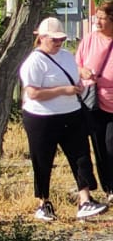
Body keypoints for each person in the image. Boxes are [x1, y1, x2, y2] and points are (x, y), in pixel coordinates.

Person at [19, 18, 106, 222]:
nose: (59, 43)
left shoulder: (67, 56)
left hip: (71, 113)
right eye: (54, 40)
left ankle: (85, 200)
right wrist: (63, 90)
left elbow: (75, 76)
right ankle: (43, 203)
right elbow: (32, 93)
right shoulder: (34, 61)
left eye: (62, 39)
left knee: (81, 156)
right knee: (43, 160)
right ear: (41, 38)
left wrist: (79, 85)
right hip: (41, 117)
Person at [78, 0, 113, 195]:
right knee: (101, 147)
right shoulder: (90, 39)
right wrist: (82, 71)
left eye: (102, 18)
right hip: (92, 101)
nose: (97, 22)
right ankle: (109, 188)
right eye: (96, 18)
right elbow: (76, 66)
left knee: (111, 145)